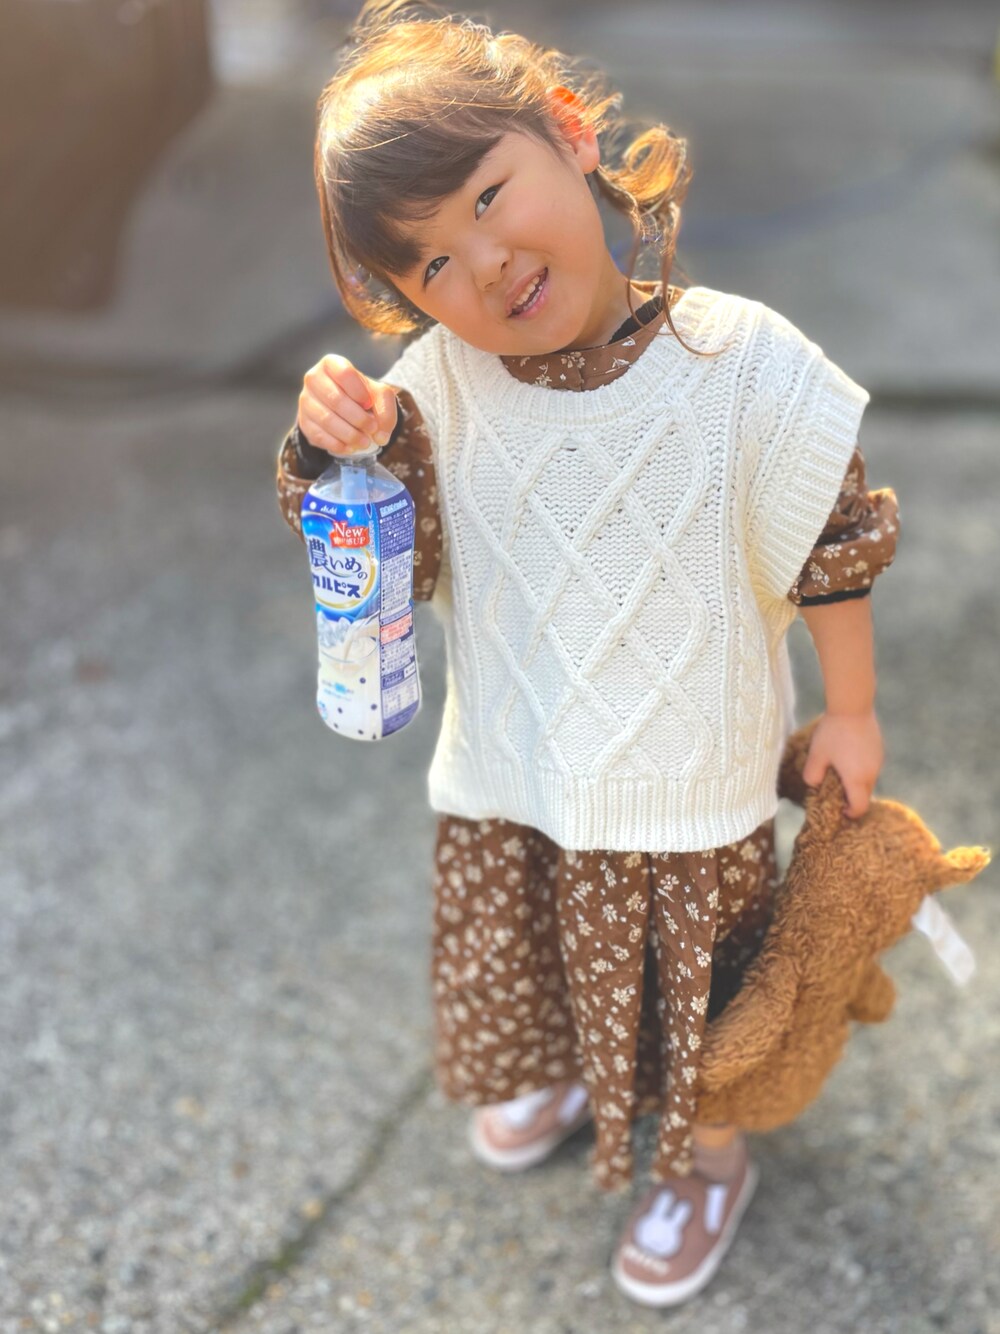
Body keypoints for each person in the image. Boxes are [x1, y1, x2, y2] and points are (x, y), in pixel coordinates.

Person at [275, 0, 900, 1307]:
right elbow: (395, 556)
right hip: (525, 771)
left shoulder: (739, 363)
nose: (487, 262)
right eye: (432, 264)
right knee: (549, 953)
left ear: (569, 134)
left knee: (698, 1011)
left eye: (490, 197)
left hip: (688, 793)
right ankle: (572, 1074)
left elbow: (832, 540)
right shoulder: (436, 394)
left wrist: (850, 708)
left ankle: (705, 1161)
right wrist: (341, 444)